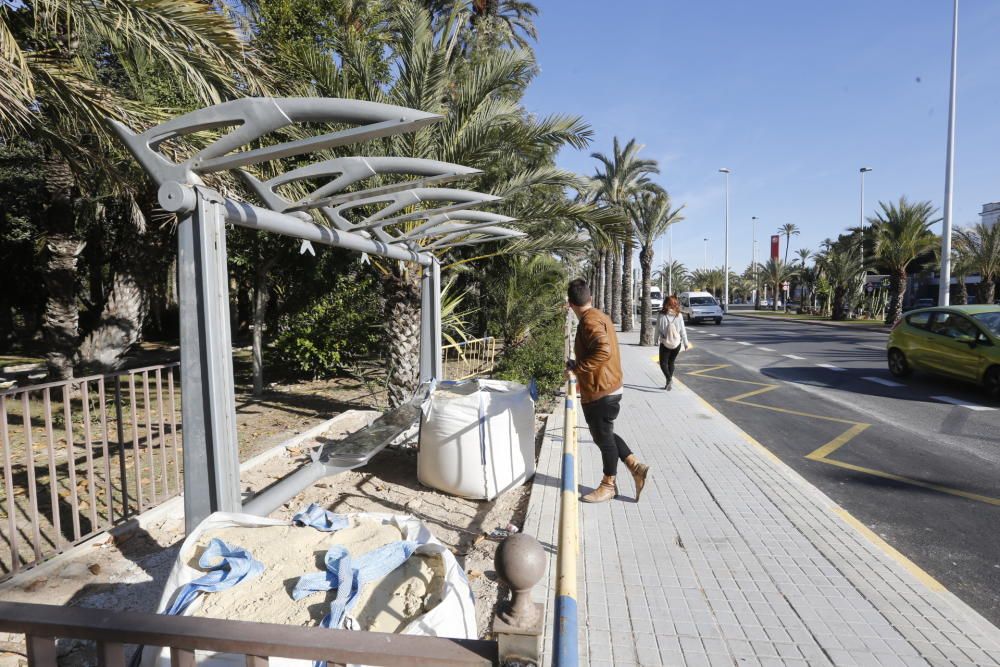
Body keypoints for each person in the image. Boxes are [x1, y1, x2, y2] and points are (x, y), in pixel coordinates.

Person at [566, 278, 649, 503]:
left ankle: (608, 485)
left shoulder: (588, 322)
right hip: (608, 386)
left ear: (570, 304)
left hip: (601, 390)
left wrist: (578, 369)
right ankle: (636, 467)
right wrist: (578, 365)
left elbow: (603, 350)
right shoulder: (599, 316)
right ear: (590, 298)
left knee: (603, 438)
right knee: (605, 434)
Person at [656, 295, 689, 390]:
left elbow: (657, 329)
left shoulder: (661, 315)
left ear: (665, 304)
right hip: (677, 344)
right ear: (675, 304)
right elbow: (683, 330)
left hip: (665, 343)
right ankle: (668, 382)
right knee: (671, 362)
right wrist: (686, 343)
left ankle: (669, 379)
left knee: (663, 363)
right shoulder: (679, 315)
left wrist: (655, 340)